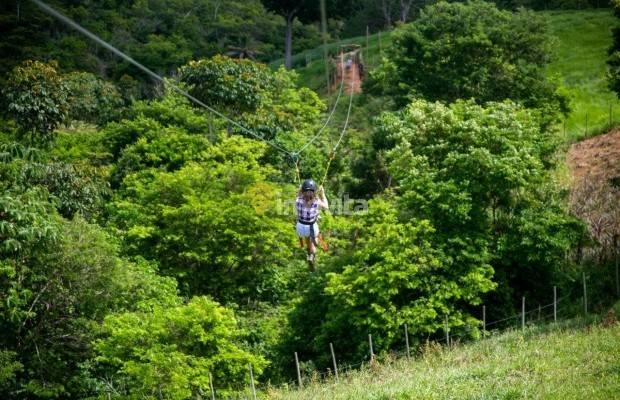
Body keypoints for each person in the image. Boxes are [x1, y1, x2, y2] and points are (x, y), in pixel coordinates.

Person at [296, 179, 328, 269]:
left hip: (300, 227)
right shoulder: (316, 201)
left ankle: (308, 252)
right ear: (314, 190)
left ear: (303, 190)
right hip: (311, 227)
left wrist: (300, 189)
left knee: (307, 236)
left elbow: (299, 194)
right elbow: (326, 207)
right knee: (314, 240)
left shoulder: (298, 200)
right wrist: (322, 193)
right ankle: (312, 255)